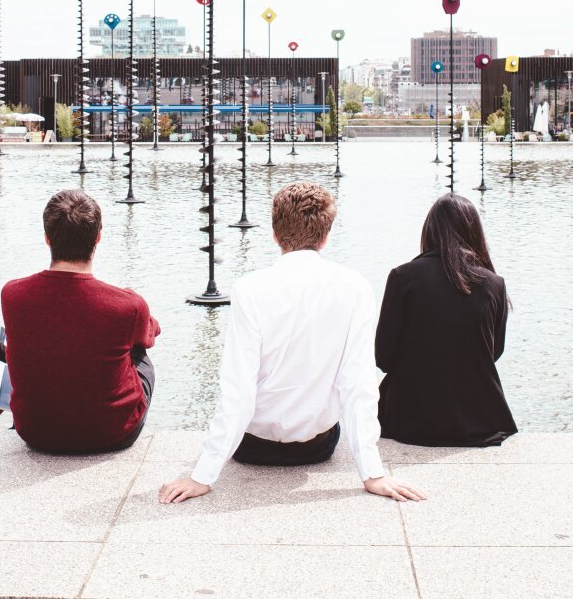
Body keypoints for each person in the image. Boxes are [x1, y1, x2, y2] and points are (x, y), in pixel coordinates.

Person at [159, 182, 424, 505]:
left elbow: (238, 390)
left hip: (253, 447)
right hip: (317, 446)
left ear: (274, 234)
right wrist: (373, 473)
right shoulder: (354, 287)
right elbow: (358, 385)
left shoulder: (249, 289)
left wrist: (202, 475)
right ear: (325, 237)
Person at [0, 189, 160, 454]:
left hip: (35, 432)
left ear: (47, 239)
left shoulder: (12, 294)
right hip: (113, 434)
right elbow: (149, 334)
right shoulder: (127, 305)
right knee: (138, 352)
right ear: (98, 238)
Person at [374, 193, 515, 446]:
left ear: (429, 230)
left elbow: (383, 357)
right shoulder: (494, 284)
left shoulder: (402, 277)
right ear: (475, 233)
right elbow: (493, 352)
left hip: (407, 419)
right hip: (480, 420)